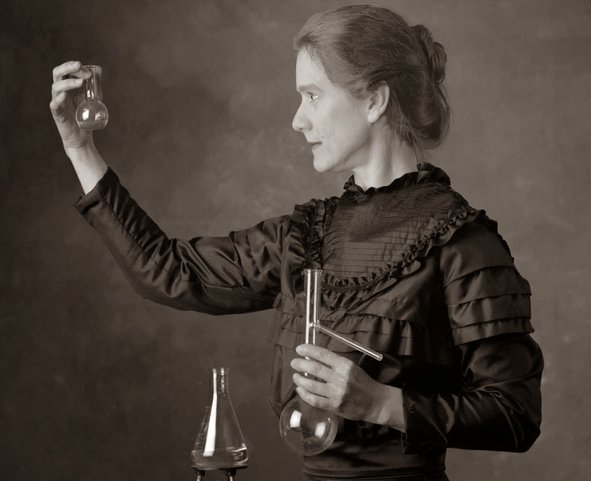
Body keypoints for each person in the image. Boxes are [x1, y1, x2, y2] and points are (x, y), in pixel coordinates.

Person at [50, 5, 543, 481]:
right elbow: (169, 272)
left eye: (312, 95)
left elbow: (515, 415)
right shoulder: (306, 236)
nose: (297, 120)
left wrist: (381, 404)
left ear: (375, 100)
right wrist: (79, 147)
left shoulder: (461, 242)